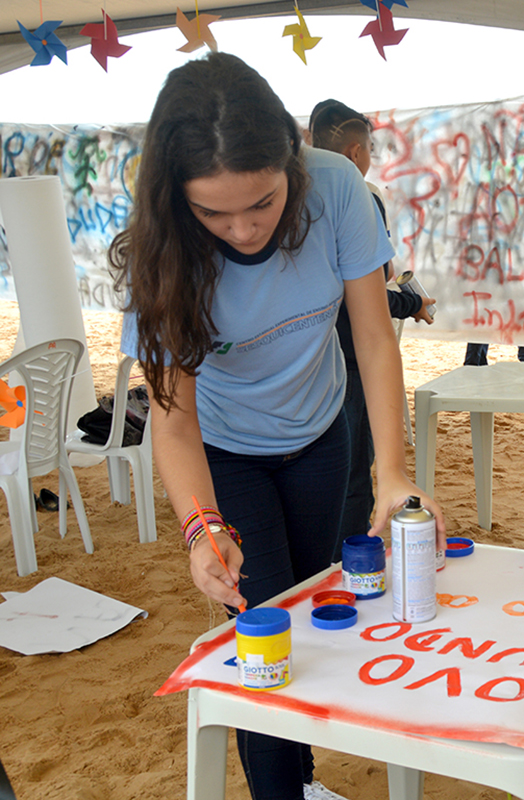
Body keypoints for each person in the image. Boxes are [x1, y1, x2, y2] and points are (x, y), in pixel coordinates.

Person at [110, 53, 444, 800]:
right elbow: (173, 421)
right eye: (214, 214)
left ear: (291, 160)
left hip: (325, 430)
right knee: (261, 625)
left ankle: (305, 779)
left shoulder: (336, 185)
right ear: (176, 200)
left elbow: (373, 337)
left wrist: (391, 471)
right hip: (225, 453)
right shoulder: (161, 253)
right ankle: (279, 793)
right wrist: (201, 528)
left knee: (322, 602)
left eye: (260, 202)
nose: (243, 229)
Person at [308, 99, 436, 561]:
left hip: (308, 359)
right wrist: (413, 301)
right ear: (357, 150)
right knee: (354, 467)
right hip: (349, 353)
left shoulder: (298, 190)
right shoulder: (360, 195)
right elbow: (372, 292)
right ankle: (347, 555)